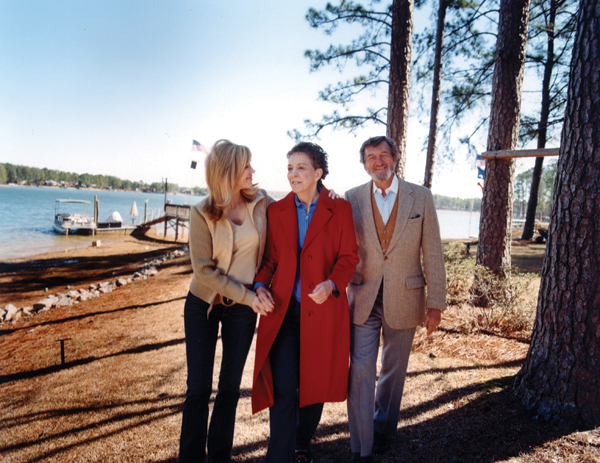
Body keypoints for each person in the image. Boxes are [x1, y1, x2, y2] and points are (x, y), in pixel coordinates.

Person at [251, 142, 359, 463]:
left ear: (318, 173)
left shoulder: (340, 209)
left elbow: (349, 257)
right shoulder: (277, 210)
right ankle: (278, 457)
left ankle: (301, 444)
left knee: (313, 389)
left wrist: (331, 283)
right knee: (284, 391)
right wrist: (259, 285)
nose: (293, 174)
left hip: (324, 311)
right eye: (289, 168)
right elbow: (270, 260)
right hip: (284, 312)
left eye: (300, 168)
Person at [344, 136, 447, 462]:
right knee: (360, 369)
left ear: (395, 158)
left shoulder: (421, 197)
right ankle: (361, 444)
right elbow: (344, 250)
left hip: (407, 296)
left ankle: (384, 429)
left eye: (383, 155)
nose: (378, 161)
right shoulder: (352, 198)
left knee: (393, 369)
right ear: (364, 164)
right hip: (364, 294)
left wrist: (436, 302)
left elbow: (432, 251)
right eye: (371, 157)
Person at [179, 139, 273, 463]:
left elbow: (283, 236)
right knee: (198, 390)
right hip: (202, 305)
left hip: (244, 312)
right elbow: (204, 272)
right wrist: (249, 295)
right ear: (230, 171)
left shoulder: (262, 203)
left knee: (230, 389)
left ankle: (219, 458)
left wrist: (261, 287)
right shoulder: (201, 212)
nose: (253, 171)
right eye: (246, 165)